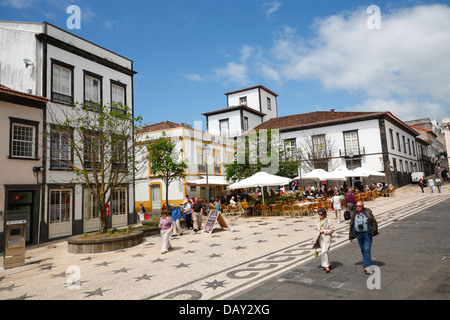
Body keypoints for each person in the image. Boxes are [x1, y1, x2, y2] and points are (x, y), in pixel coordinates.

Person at [349, 201, 379, 274]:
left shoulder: (367, 213)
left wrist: (372, 232)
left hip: (367, 234)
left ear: (363, 206)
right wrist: (351, 236)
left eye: (359, 206)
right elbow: (351, 224)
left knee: (366, 249)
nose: (358, 207)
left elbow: (374, 222)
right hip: (359, 234)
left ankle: (367, 266)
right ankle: (366, 262)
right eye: (357, 206)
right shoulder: (354, 214)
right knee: (362, 249)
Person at [312, 208, 335, 273]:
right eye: (319, 214)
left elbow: (332, 230)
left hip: (326, 238)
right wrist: (315, 236)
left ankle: (326, 265)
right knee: (323, 251)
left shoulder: (328, 221)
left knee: (324, 251)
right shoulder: (317, 221)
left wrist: (324, 231)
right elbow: (315, 229)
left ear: (325, 214)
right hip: (319, 238)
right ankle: (327, 264)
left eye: (321, 214)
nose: (320, 215)